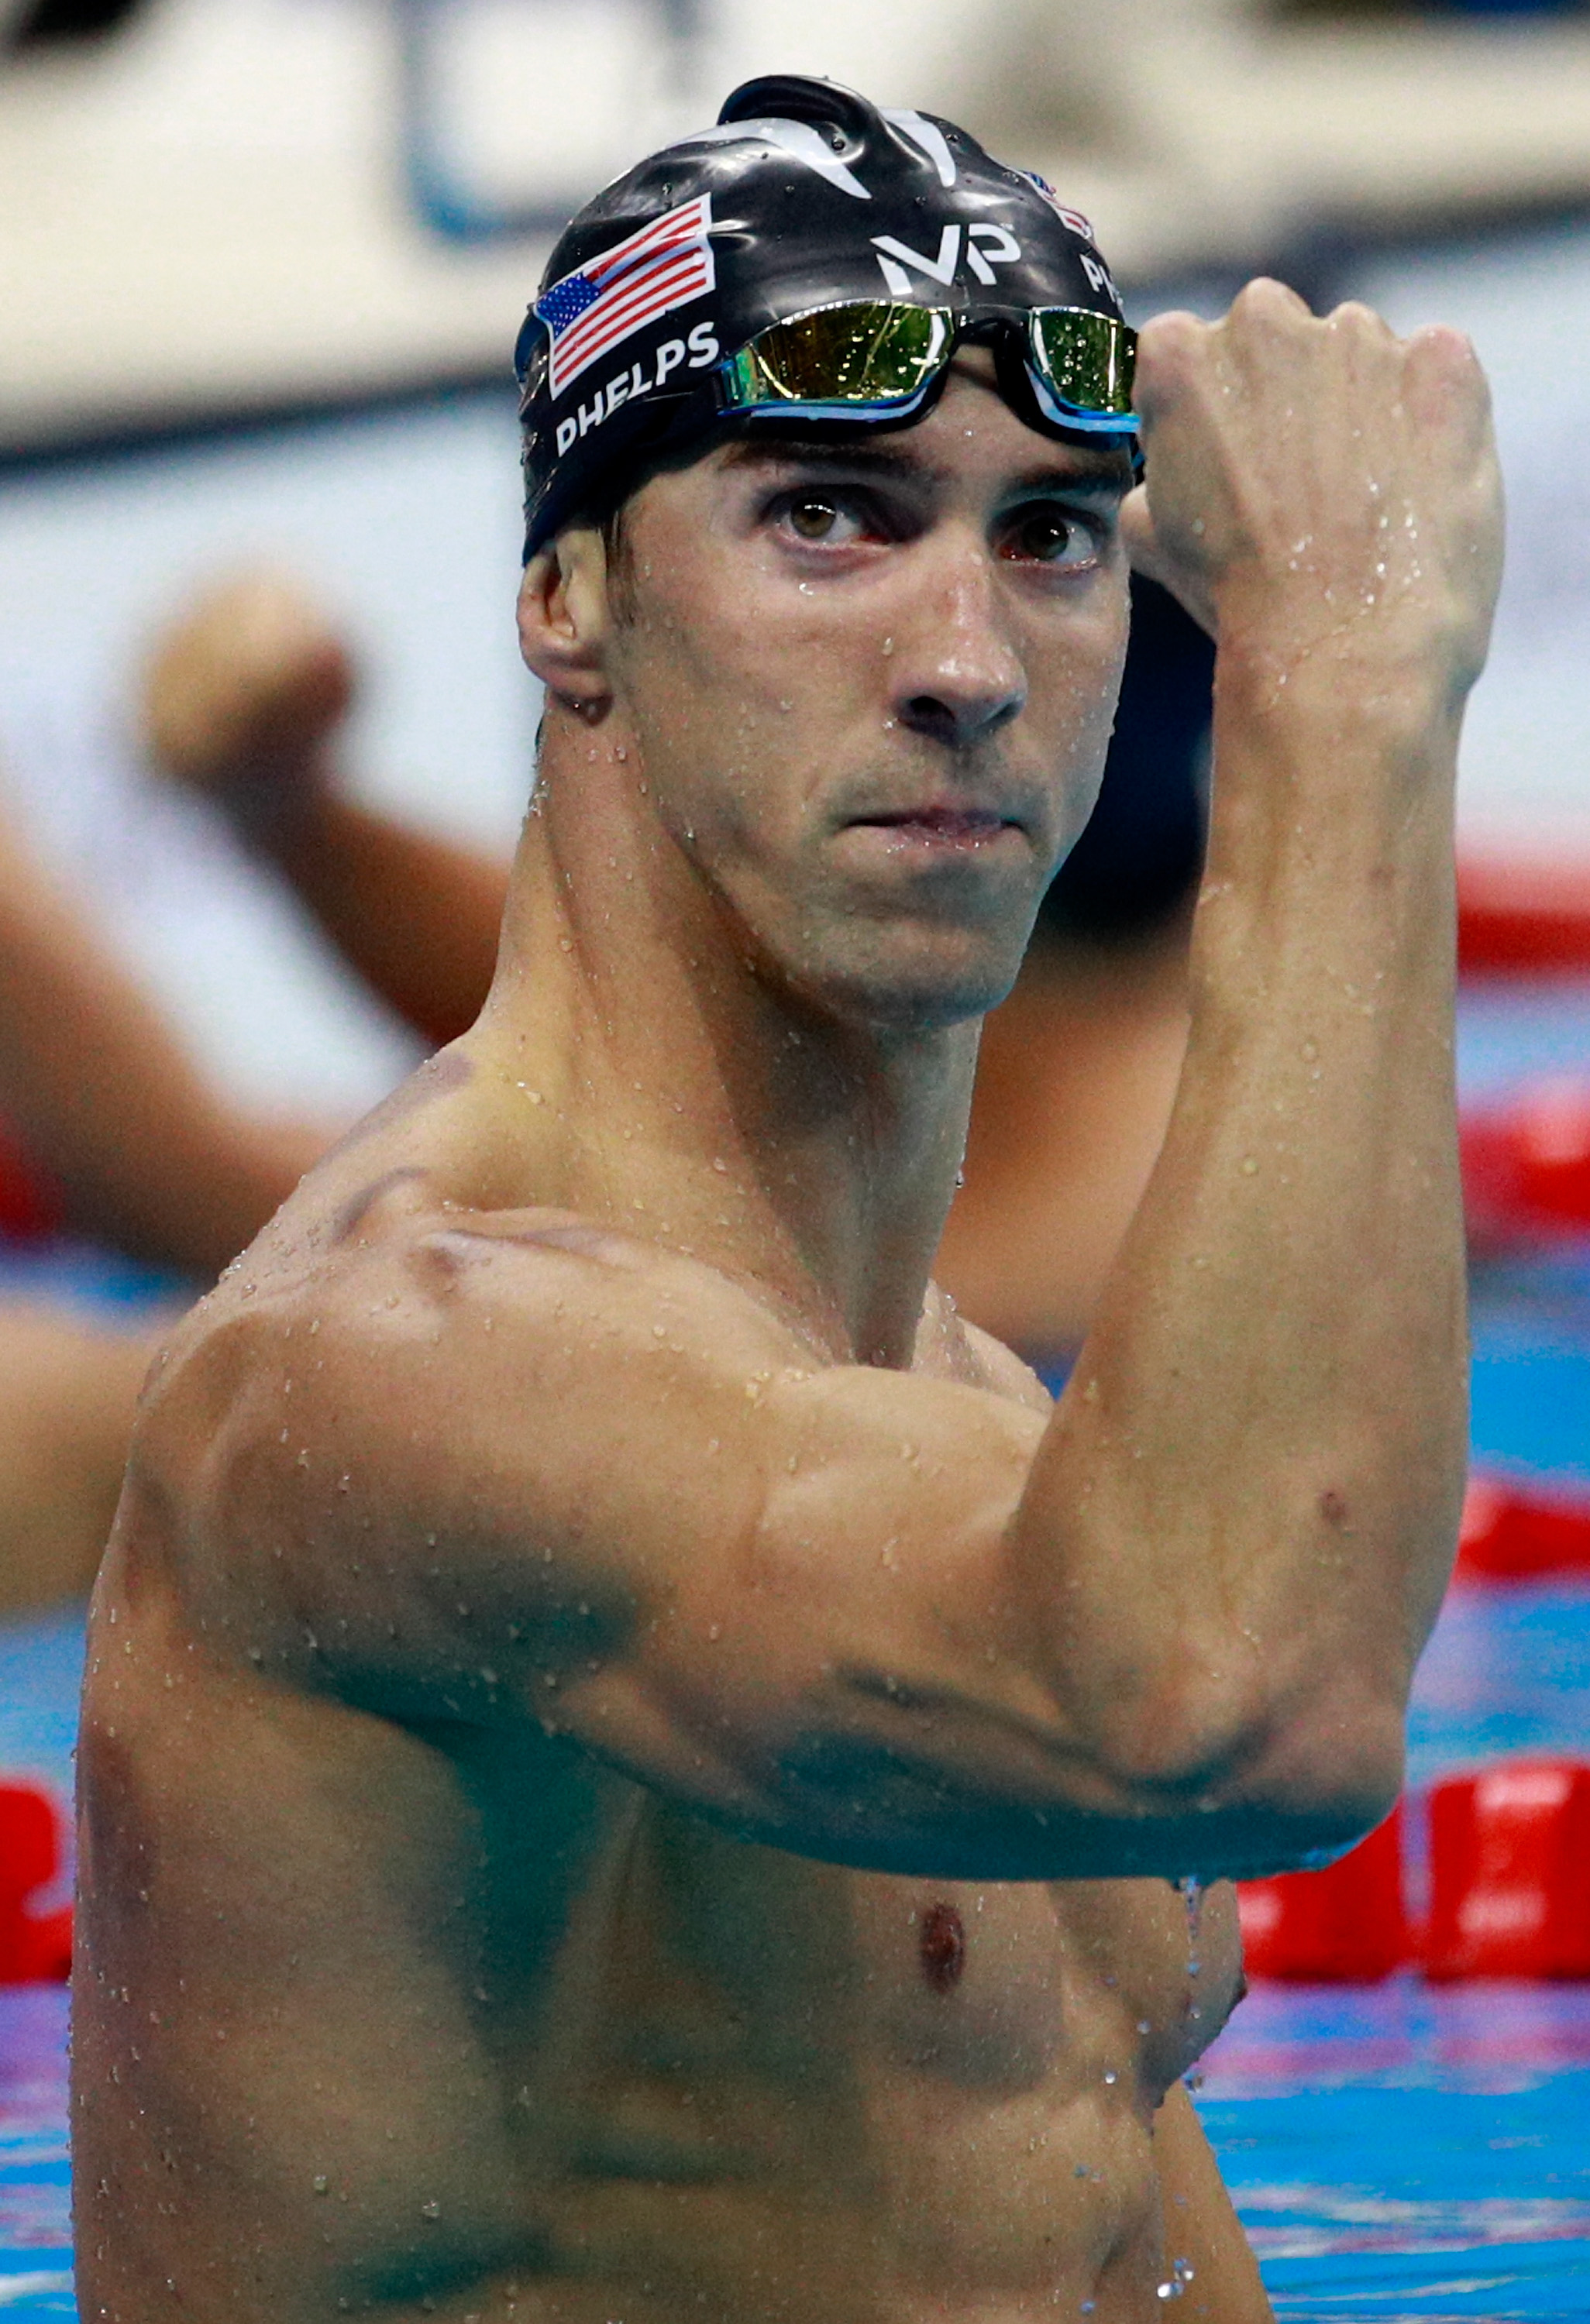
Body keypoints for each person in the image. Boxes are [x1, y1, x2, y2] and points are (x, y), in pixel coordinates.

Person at [76, 73, 1500, 2324]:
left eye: (1050, 535)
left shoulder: (960, 1434)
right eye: (828, 520)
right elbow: (1228, 1711)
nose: (961, 665)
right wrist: (1340, 683)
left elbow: (1103, 2249)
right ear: (566, 604)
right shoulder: (399, 1378)